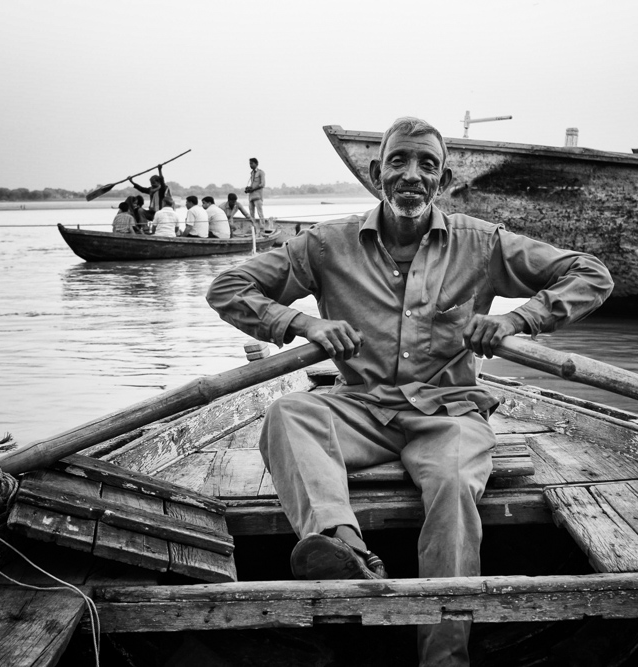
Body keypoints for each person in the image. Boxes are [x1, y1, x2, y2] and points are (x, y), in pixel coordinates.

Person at [207, 117, 614, 666]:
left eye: (426, 165)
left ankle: (443, 657)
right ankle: (344, 548)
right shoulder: (327, 245)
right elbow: (228, 287)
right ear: (378, 173)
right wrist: (303, 324)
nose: (411, 175)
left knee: (451, 483)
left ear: (442, 181)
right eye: (399, 161)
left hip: (450, 412)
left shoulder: (482, 243)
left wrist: (519, 319)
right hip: (361, 406)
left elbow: (590, 274)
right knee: (287, 413)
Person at [244, 157, 268, 234]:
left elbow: (262, 184)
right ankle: (253, 229)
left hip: (258, 196)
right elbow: (252, 184)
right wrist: (248, 189)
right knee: (251, 214)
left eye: (251, 163)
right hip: (251, 197)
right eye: (249, 164)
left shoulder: (261, 172)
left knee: (260, 213)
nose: (250, 165)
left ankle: (262, 229)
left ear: (256, 164)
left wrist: (252, 189)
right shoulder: (252, 173)